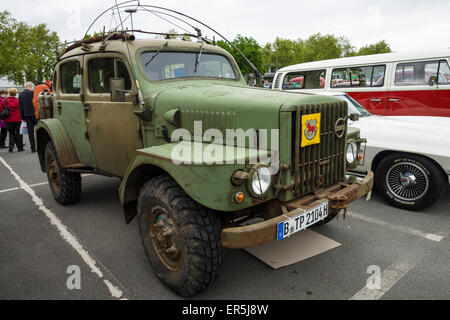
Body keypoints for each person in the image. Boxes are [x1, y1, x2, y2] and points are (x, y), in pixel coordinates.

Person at [0, 88, 23, 152]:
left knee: (11, 133)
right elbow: (21, 109)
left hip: (8, 119)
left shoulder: (4, 101)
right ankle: (20, 147)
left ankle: (11, 146)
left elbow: (0, 109)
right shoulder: (18, 101)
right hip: (18, 119)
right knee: (18, 133)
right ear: (15, 94)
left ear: (9, 93)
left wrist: (2, 118)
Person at [19, 82, 36, 152]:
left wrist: (22, 118)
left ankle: (33, 148)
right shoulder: (33, 93)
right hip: (35, 114)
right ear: (31, 86)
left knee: (30, 132)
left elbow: (21, 107)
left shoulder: (21, 94)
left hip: (26, 115)